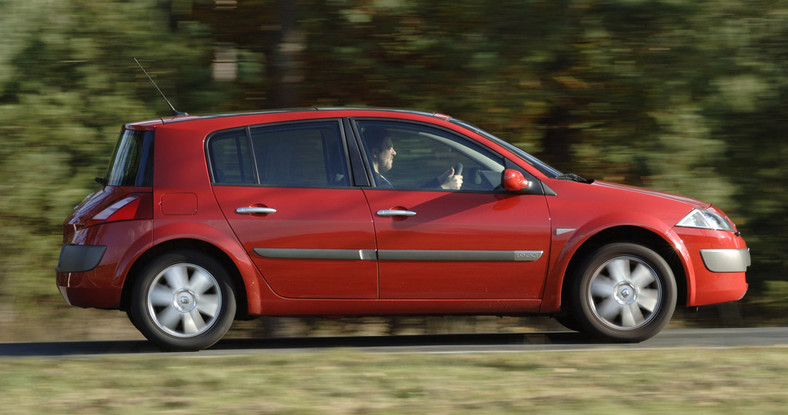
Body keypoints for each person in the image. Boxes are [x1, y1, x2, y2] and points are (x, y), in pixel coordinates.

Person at [363, 126, 463, 190]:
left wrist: (439, 181)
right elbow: (403, 206)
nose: (394, 153)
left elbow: (410, 198)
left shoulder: (372, 179)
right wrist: (445, 188)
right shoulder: (377, 184)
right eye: (389, 148)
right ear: (375, 153)